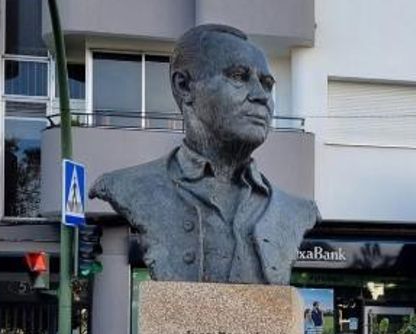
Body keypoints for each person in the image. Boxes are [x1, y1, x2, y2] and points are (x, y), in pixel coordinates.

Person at [90, 24, 319, 285]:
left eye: (267, 85)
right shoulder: (129, 187)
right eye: (239, 76)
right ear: (185, 86)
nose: (261, 96)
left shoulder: (296, 211)